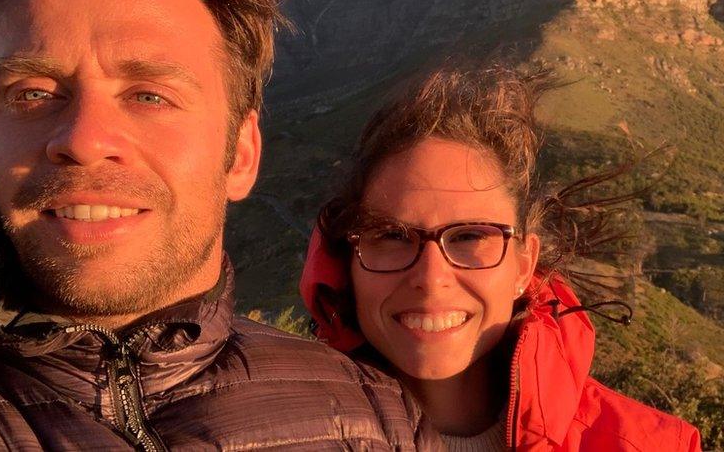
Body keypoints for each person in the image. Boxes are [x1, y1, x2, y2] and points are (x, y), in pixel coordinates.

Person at [0, 0, 439, 449]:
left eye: (150, 95)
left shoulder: (378, 420)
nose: (84, 138)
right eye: (32, 93)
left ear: (240, 154)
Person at [300, 68, 703, 451]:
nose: (431, 276)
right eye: (391, 236)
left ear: (524, 265)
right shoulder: (286, 434)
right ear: (348, 263)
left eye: (471, 236)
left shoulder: (648, 443)